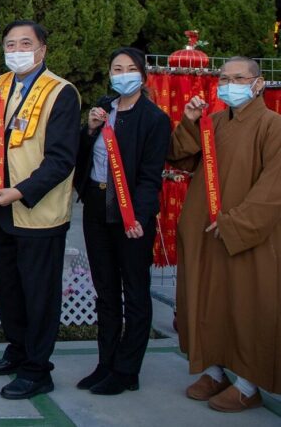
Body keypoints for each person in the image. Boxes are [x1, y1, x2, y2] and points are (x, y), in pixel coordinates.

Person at [169, 56, 281, 413]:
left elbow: (274, 187)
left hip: (246, 235)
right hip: (205, 232)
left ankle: (248, 384)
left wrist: (237, 222)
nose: (229, 84)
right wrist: (188, 122)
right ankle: (215, 370)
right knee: (207, 301)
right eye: (224, 78)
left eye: (239, 78)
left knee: (247, 305)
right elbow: (180, 159)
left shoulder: (273, 125)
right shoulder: (213, 123)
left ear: (259, 83)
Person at [0, 20, 79, 400]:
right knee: (9, 289)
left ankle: (38, 369)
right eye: (10, 44)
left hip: (36, 211)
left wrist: (20, 192)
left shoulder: (61, 92)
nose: (16, 49)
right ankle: (17, 351)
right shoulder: (1, 85)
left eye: (26, 43)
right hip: (1, 209)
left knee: (39, 293)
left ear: (42, 50)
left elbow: (61, 160)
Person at [73, 47, 169, 396]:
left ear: (142, 75)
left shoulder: (154, 119)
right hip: (97, 206)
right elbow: (80, 158)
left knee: (135, 292)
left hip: (130, 213)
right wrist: (89, 129)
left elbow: (149, 176)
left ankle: (128, 369)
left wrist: (140, 216)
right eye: (117, 68)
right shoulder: (104, 108)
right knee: (106, 290)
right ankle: (106, 362)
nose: (122, 74)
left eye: (130, 68)